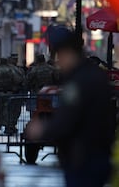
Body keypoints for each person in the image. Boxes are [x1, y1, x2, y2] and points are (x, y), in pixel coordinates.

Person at [26, 25, 115, 187]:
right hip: (94, 155)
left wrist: (42, 130)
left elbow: (68, 118)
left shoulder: (78, 81)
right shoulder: (92, 75)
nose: (59, 61)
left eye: (60, 55)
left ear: (68, 53)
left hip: (84, 158)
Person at [0, 58, 23, 134]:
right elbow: (17, 80)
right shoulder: (11, 70)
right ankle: (8, 128)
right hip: (9, 93)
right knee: (9, 112)